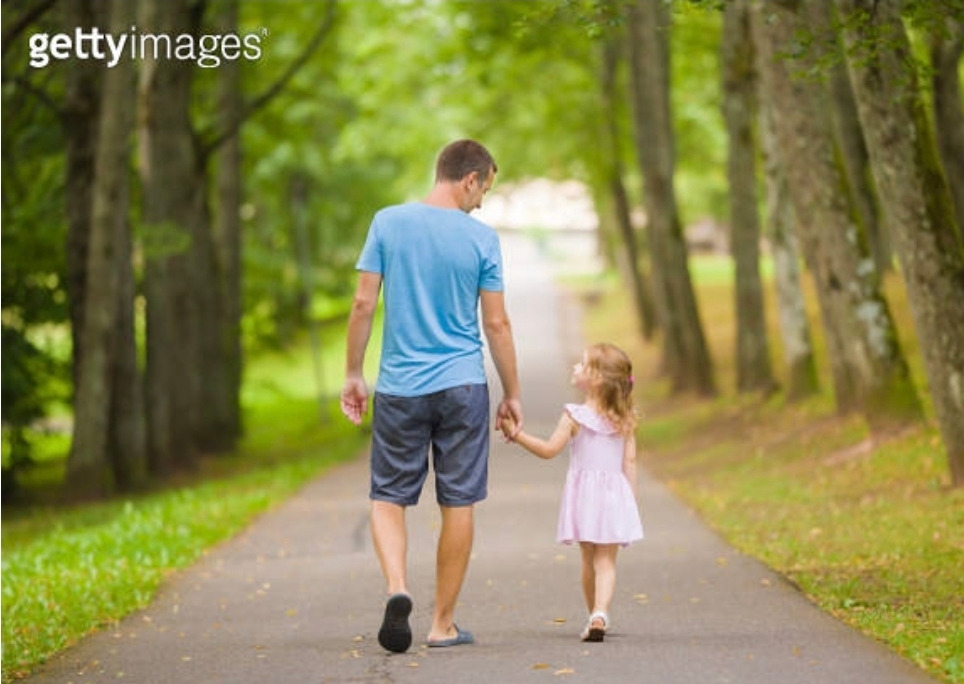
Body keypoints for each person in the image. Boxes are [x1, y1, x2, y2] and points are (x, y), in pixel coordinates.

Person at [340, 139, 523, 653]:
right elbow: (498, 324)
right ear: (469, 179)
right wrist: (513, 392)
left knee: (388, 497)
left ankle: (398, 589)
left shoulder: (387, 223)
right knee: (458, 500)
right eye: (484, 188)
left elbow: (361, 305)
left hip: (399, 386)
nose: (482, 201)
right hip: (463, 385)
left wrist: (354, 373)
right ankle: (442, 624)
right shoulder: (482, 240)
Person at [500, 342, 643, 643]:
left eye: (582, 364)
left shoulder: (574, 415)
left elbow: (549, 450)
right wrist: (629, 500)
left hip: (585, 499)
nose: (575, 367)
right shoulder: (624, 419)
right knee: (606, 561)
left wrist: (518, 434)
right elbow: (629, 461)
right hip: (614, 497)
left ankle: (594, 614)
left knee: (588, 559)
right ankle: (600, 614)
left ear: (597, 378)